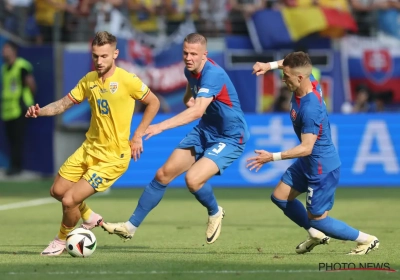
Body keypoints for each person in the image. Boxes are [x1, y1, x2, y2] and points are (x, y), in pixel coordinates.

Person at [102, 33, 250, 244]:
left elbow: (197, 111)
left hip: (230, 136)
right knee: (163, 174)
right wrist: (190, 100)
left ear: (204, 55)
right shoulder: (189, 70)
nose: (188, 57)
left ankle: (215, 212)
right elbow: (190, 97)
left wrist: (161, 126)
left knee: (193, 179)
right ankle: (130, 227)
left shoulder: (213, 74)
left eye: (193, 54)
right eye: (185, 53)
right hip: (205, 130)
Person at [25, 31, 160, 256]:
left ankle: (60, 240)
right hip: (89, 148)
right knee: (57, 190)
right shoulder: (89, 80)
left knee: (69, 200)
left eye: (104, 56)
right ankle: (88, 216)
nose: (99, 61)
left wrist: (138, 136)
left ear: (115, 54)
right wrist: (40, 111)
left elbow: (153, 102)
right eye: (96, 56)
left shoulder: (127, 80)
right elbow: (63, 104)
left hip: (112, 157)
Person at [247, 52, 379, 255]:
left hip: (321, 167)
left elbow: (306, 147)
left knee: (319, 219)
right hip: (308, 162)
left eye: (286, 76)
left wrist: (271, 157)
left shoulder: (310, 108)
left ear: (299, 78)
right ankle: (315, 234)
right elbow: (293, 64)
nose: (283, 79)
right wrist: (270, 65)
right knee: (280, 197)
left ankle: (367, 240)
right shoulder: (309, 80)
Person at [1, 41, 36, 176]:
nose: (4, 52)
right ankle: (13, 165)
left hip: (20, 107)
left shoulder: (22, 66)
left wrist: (28, 102)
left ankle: (16, 167)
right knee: (10, 139)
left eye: (6, 49)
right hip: (7, 109)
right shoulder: (4, 68)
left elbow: (31, 85)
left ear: (14, 51)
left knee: (18, 139)